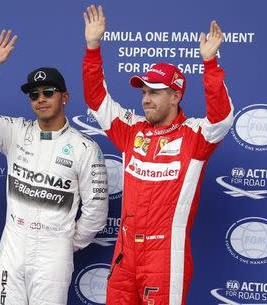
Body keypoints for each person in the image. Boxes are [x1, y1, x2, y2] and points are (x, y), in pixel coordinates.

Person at [82, 5, 233, 305]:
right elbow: (97, 100)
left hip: (164, 257)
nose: (146, 99)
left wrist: (210, 64)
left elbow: (221, 118)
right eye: (143, 92)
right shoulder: (131, 129)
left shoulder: (195, 136)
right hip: (125, 254)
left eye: (155, 92)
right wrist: (93, 48)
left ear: (176, 96)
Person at [0, 30, 109, 305]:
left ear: (64, 97)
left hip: (54, 251)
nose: (40, 98)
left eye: (48, 92)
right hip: (13, 243)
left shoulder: (85, 148)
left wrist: (65, 241)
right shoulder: (15, 133)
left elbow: (96, 213)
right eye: (34, 94)